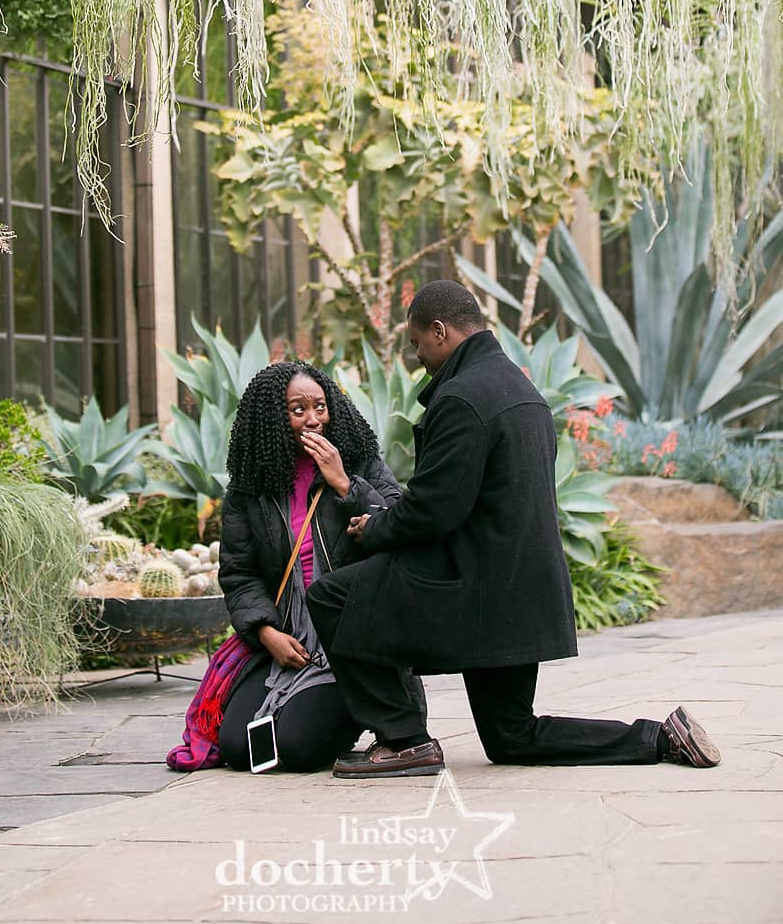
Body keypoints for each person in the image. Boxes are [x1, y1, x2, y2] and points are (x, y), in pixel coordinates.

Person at [307, 280, 721, 779]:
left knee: (334, 596)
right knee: (511, 736)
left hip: (472, 588)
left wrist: (374, 529)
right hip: (519, 587)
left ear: (439, 331)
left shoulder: (461, 397)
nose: (417, 356)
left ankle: (404, 740)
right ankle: (659, 737)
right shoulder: (521, 389)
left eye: (417, 343)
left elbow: (435, 509)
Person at [216, 360, 421, 772]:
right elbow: (239, 572)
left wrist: (345, 483)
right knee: (238, 749)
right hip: (287, 637)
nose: (313, 420)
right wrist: (265, 630)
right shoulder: (250, 487)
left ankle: (369, 709)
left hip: (349, 639)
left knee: (298, 748)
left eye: (320, 407)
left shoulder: (360, 462)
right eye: (298, 410)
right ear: (274, 418)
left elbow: (401, 525)